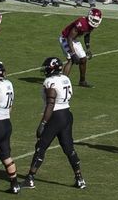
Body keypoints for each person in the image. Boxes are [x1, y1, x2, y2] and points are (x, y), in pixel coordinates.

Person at [22, 58, 85, 190]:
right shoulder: (65, 78)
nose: (45, 70)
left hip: (55, 116)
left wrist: (43, 123)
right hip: (67, 114)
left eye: (47, 67)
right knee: (69, 148)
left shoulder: (49, 82)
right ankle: (79, 178)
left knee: (41, 146)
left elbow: (51, 103)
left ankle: (30, 178)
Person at [61, 10, 101, 87]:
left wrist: (88, 48)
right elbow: (69, 38)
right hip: (65, 38)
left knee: (83, 59)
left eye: (96, 20)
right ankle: (63, 82)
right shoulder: (81, 23)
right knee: (71, 60)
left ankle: (82, 81)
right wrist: (73, 53)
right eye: (94, 20)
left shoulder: (90, 25)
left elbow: (87, 34)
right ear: (90, 17)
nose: (95, 22)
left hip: (74, 39)